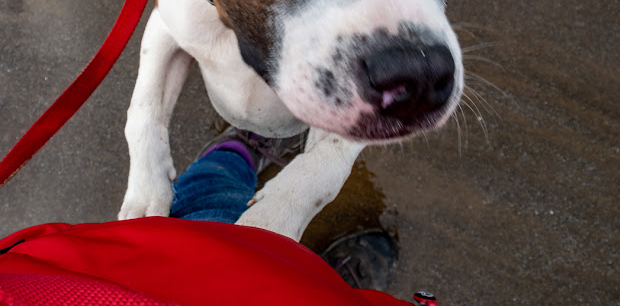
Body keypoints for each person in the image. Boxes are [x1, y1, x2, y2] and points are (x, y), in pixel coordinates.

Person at [0, 128, 432, 305]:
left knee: (210, 196)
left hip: (99, 281)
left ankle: (237, 148)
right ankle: (328, 283)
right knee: (220, 222)